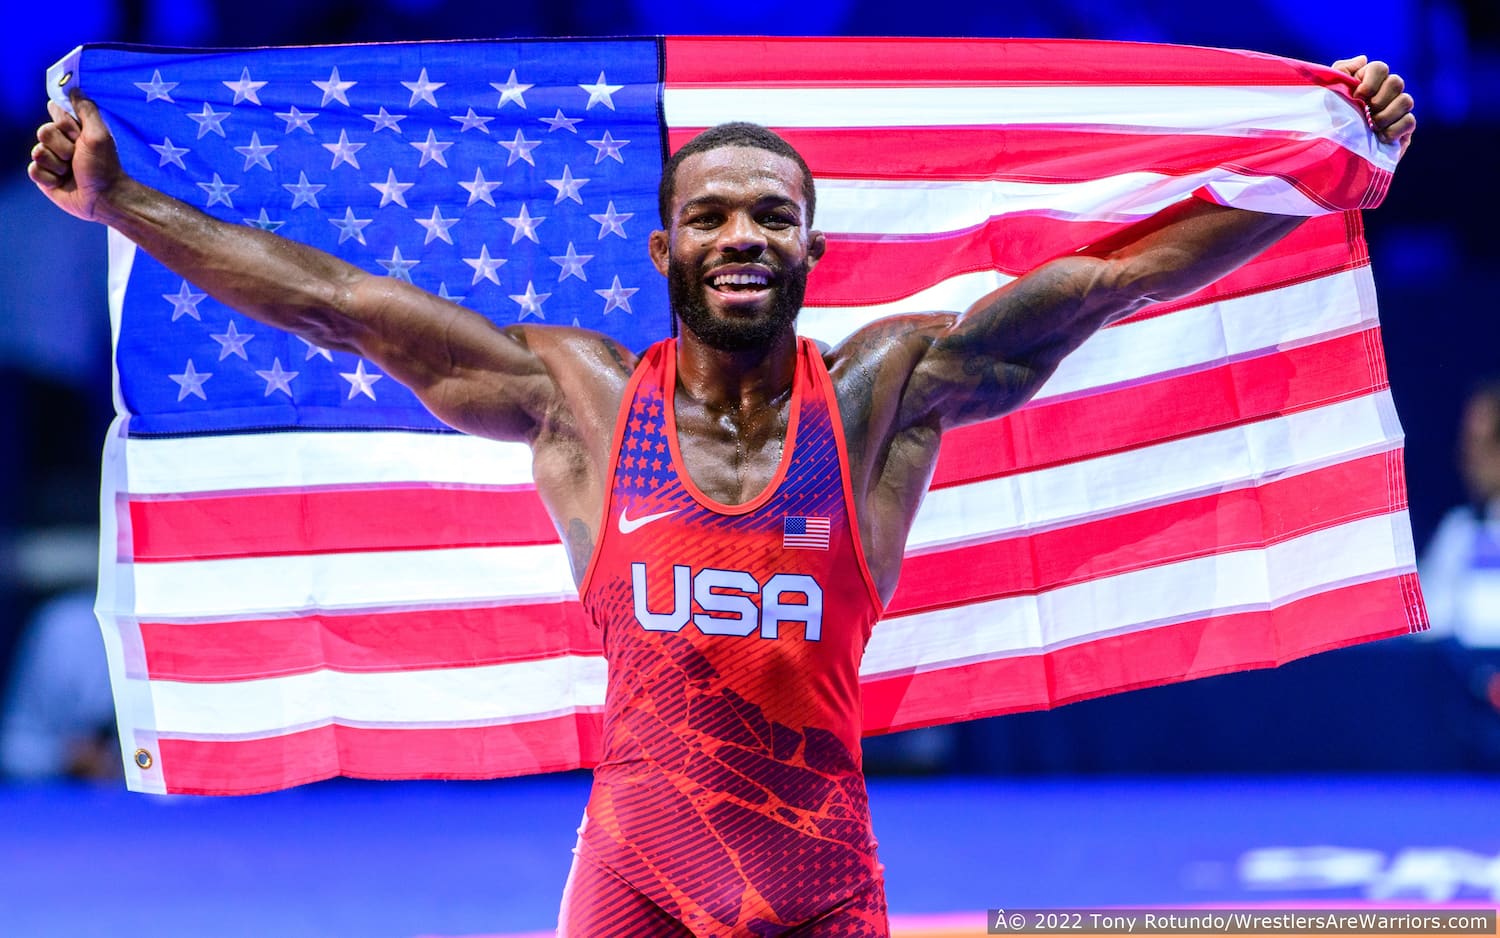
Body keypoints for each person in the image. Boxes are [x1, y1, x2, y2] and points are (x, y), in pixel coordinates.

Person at [29, 55, 1414, 936]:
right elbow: (339, 307)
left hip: (818, 894)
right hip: (632, 883)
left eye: (768, 215)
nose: (741, 234)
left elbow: (1117, 282)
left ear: (812, 243)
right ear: (663, 246)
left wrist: (1331, 160)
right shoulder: (579, 400)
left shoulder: (880, 394)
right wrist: (124, 207)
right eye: (711, 214)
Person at [1419, 381, 1500, 769]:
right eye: (1466, 443)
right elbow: (1424, 624)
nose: (1468, 458)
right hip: (1461, 731)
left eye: (1482, 444)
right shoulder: (1460, 532)